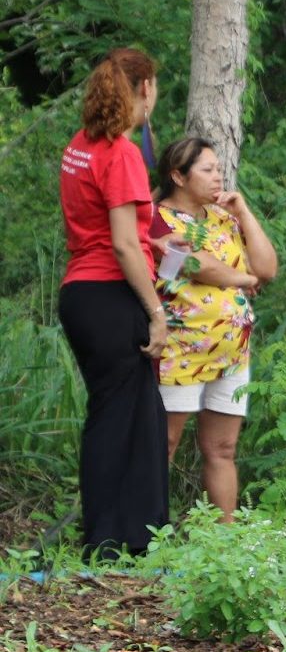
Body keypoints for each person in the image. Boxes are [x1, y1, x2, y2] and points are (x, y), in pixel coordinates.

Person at [57, 47, 168, 558]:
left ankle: (116, 537)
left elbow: (92, 224)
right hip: (110, 292)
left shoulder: (81, 144)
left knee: (119, 412)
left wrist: (152, 242)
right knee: (126, 416)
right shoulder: (121, 152)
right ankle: (114, 541)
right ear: (144, 87)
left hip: (80, 292)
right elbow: (123, 244)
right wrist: (156, 312)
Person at [150, 138, 278, 521]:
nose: (217, 175)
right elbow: (195, 264)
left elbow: (268, 269)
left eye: (219, 168)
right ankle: (146, 536)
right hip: (181, 347)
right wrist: (243, 277)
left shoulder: (224, 217)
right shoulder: (157, 219)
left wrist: (244, 211)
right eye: (207, 169)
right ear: (178, 176)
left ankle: (224, 543)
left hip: (232, 351)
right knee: (164, 444)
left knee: (222, 448)